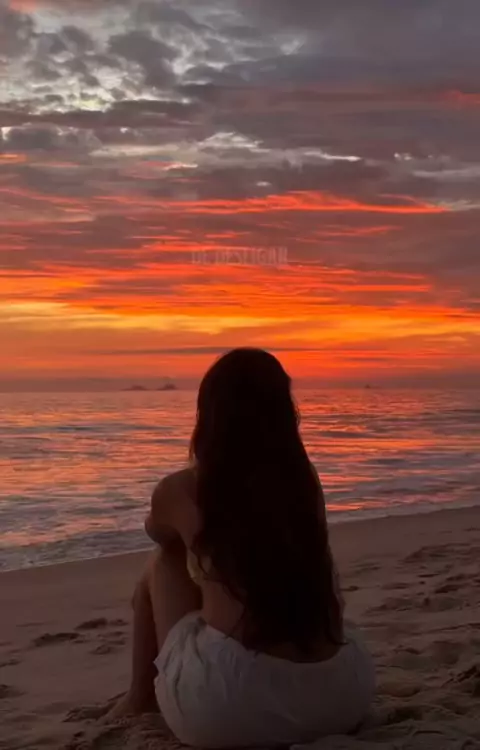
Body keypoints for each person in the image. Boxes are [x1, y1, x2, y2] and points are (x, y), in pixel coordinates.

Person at [111, 349, 374, 747]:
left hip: (235, 705)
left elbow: (158, 533)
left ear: (208, 418)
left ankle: (139, 696)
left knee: (165, 561)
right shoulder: (304, 483)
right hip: (341, 695)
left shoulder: (181, 489)